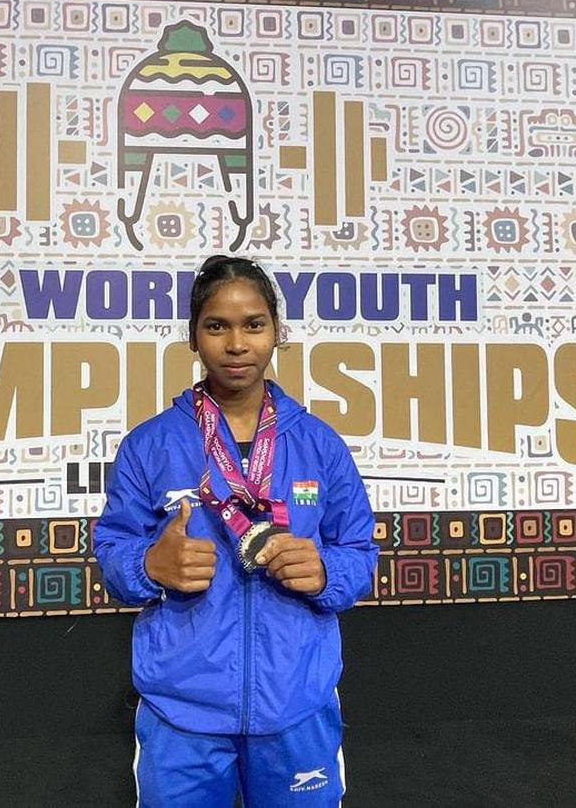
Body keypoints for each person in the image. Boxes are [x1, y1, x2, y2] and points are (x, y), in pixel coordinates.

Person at [93, 255, 378, 807]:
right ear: (194, 339)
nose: (237, 343)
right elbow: (113, 548)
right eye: (216, 326)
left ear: (277, 333)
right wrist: (148, 566)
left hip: (296, 702)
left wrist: (325, 571)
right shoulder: (150, 444)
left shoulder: (320, 444)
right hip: (184, 710)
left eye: (254, 324)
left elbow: (359, 552)